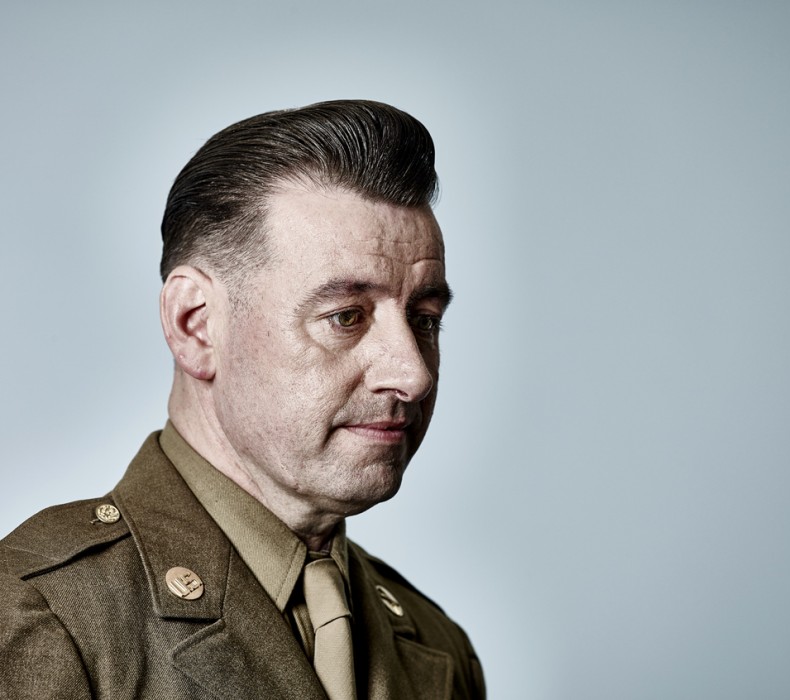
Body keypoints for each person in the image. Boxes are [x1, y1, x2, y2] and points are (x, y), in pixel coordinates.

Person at [0, 100, 485, 699]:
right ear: (196, 325)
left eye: (425, 319)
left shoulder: (438, 644)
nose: (412, 375)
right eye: (346, 316)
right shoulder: (42, 617)